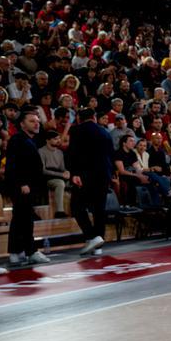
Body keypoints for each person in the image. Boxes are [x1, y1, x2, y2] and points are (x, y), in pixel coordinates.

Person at [4, 108, 48, 266]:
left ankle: (23, 251)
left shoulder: (29, 140)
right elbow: (13, 164)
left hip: (29, 186)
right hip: (22, 186)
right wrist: (22, 183)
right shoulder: (17, 140)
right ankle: (22, 252)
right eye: (32, 121)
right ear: (22, 124)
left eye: (37, 121)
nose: (37, 124)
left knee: (25, 219)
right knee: (22, 219)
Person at [68, 107, 114, 255]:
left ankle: (91, 237)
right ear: (94, 117)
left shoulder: (76, 130)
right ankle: (97, 246)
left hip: (85, 175)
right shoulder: (104, 132)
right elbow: (111, 155)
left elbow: (73, 153)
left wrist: (74, 173)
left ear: (79, 119)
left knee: (76, 206)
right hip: (104, 175)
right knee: (99, 209)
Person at [39, 130, 70, 217]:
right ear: (48, 140)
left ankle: (77, 210)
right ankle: (59, 212)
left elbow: (62, 169)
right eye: (55, 139)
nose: (58, 140)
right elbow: (43, 170)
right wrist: (61, 175)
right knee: (60, 183)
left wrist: (67, 172)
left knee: (75, 182)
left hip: (58, 176)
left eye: (59, 138)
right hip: (46, 178)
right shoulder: (41, 151)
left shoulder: (60, 152)